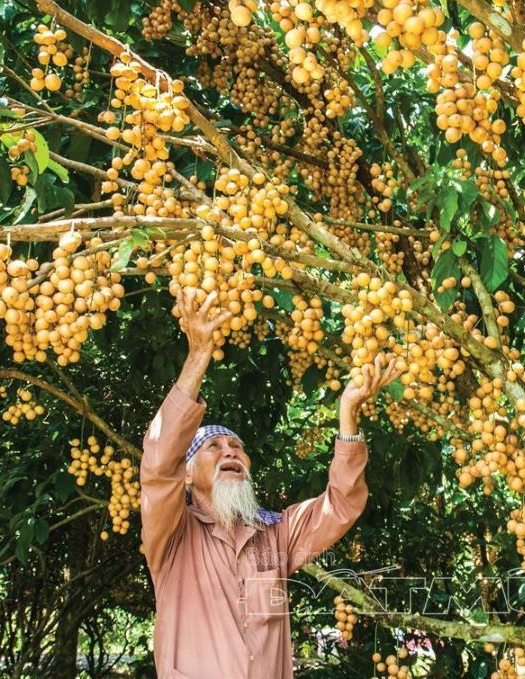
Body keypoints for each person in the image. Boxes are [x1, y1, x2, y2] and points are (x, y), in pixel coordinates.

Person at [140, 289, 401, 678]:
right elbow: (158, 466)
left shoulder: (274, 533)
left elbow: (339, 506)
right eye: (213, 447)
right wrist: (198, 356)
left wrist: (348, 414)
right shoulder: (173, 535)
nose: (230, 452)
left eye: (236, 447)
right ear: (188, 474)